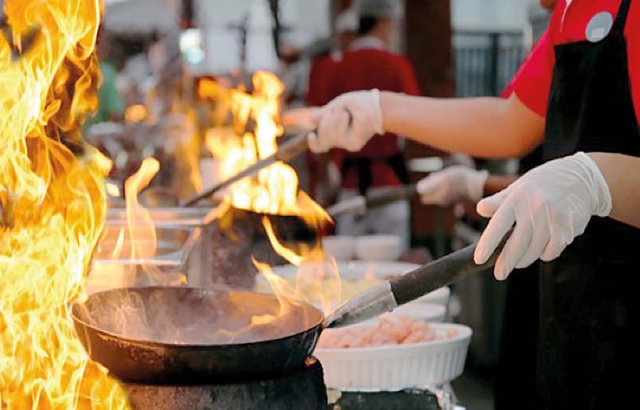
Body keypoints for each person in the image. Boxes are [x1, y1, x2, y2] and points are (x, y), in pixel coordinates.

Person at [307, 0, 640, 408]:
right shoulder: (568, 13)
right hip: (576, 304)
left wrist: (597, 179)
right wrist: (380, 109)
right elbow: (510, 122)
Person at [325, 0, 420, 248]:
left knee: (348, 275)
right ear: (384, 22)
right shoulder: (397, 65)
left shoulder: (338, 68)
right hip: (390, 186)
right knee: (393, 272)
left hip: (351, 185)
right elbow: (419, 120)